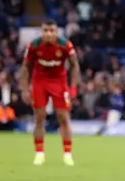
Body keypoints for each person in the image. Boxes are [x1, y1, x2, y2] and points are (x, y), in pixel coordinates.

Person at [19, 20, 81, 166]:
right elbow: (25, 67)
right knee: (39, 117)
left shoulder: (65, 45)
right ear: (42, 32)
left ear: (56, 32)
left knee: (63, 117)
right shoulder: (33, 45)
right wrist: (24, 89)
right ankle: (39, 153)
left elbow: (75, 65)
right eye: (45, 31)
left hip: (59, 81)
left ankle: (67, 154)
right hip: (39, 81)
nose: (48, 34)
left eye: (51, 31)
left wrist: (73, 87)